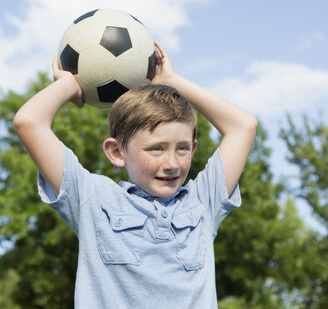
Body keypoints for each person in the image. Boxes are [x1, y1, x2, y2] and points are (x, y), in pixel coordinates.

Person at [13, 41, 257, 309]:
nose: (173, 163)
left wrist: (172, 82)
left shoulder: (203, 201)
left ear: (194, 148)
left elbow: (243, 126)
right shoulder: (91, 199)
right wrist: (71, 84)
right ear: (117, 152)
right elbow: (29, 121)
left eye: (183, 148)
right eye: (156, 149)